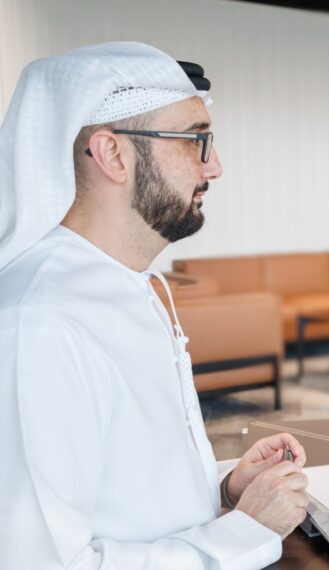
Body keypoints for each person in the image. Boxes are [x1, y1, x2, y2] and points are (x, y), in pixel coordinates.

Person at [0, 43, 308, 568]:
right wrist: (247, 532)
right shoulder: (41, 322)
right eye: (196, 141)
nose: (215, 167)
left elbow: (124, 495)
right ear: (113, 154)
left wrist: (228, 490)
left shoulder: (129, 284)